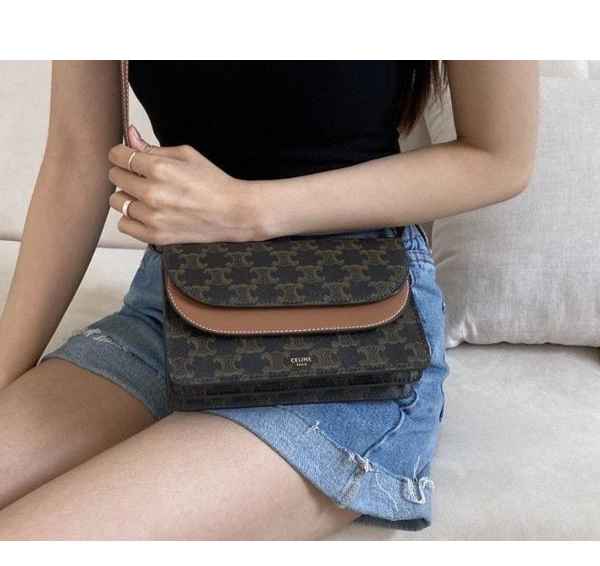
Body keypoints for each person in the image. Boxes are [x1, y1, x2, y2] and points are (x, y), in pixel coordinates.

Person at [0, 61, 539, 539]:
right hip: (178, 301)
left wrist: (248, 209)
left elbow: (499, 157)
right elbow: (76, 158)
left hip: (356, 330)